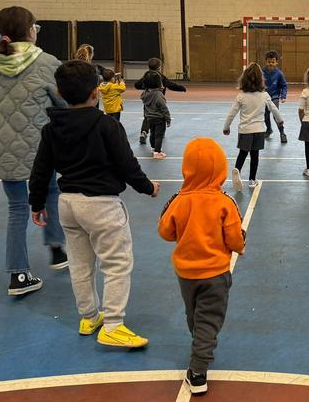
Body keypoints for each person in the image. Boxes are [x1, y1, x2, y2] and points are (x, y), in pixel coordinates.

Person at [29, 60, 159, 348]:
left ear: (60, 93)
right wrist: (148, 187)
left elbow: (41, 169)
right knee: (116, 263)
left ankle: (89, 316)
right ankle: (112, 324)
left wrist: (37, 203)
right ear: (96, 92)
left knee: (80, 264)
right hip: (102, 206)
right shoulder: (107, 125)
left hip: (68, 205)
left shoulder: (51, 129)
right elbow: (127, 165)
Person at [0, 6, 69, 296]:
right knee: (51, 192)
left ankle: (18, 275)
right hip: (38, 146)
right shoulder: (46, 62)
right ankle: (57, 249)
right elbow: (64, 102)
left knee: (17, 208)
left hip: (1, 147)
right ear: (31, 30)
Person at [158, 137, 246, 395]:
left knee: (194, 315)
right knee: (209, 319)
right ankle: (198, 371)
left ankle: (201, 345)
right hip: (216, 273)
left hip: (185, 273)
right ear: (219, 168)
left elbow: (165, 231)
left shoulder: (179, 200)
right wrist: (240, 247)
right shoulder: (224, 202)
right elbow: (234, 237)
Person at [223, 63, 284, 191]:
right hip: (259, 130)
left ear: (244, 79)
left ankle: (237, 171)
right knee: (254, 156)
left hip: (245, 130)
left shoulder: (241, 96)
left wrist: (226, 127)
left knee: (243, 153)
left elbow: (232, 113)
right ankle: (252, 180)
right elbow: (274, 109)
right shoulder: (265, 95)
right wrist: (280, 121)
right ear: (261, 79)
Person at [136, 57, 186, 145]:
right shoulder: (160, 76)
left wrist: (146, 87)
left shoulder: (146, 75)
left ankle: (144, 132)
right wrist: (182, 88)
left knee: (147, 117)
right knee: (160, 117)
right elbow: (171, 85)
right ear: (159, 67)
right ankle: (159, 134)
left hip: (148, 100)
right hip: (158, 100)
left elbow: (137, 85)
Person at [141, 72, 171, 160]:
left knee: (152, 133)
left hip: (149, 118)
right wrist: (168, 119)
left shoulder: (145, 93)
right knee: (159, 136)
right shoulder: (158, 95)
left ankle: (153, 148)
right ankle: (157, 152)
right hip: (159, 119)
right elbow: (164, 108)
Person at [262, 51, 288, 143]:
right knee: (265, 115)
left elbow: (284, 85)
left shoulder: (279, 74)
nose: (271, 64)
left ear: (276, 62)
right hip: (264, 98)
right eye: (269, 62)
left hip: (274, 97)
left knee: (275, 115)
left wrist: (283, 96)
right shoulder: (261, 72)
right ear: (266, 62)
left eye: (273, 62)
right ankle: (269, 129)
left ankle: (282, 133)